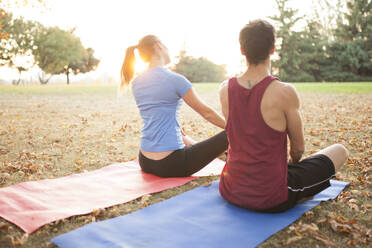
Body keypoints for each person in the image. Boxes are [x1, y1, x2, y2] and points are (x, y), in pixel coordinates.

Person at [218, 20, 348, 213]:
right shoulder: (285, 92)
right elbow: (298, 149)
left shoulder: (224, 89)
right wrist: (293, 166)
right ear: (272, 49)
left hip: (230, 189)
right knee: (340, 150)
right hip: (270, 197)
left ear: (242, 50)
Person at [120, 35, 228, 178]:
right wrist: (233, 128)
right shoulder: (175, 80)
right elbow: (206, 113)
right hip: (171, 164)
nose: (169, 50)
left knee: (180, 132)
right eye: (166, 46)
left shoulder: (137, 82)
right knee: (230, 133)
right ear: (159, 46)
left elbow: (159, 115)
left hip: (145, 160)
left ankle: (225, 154)